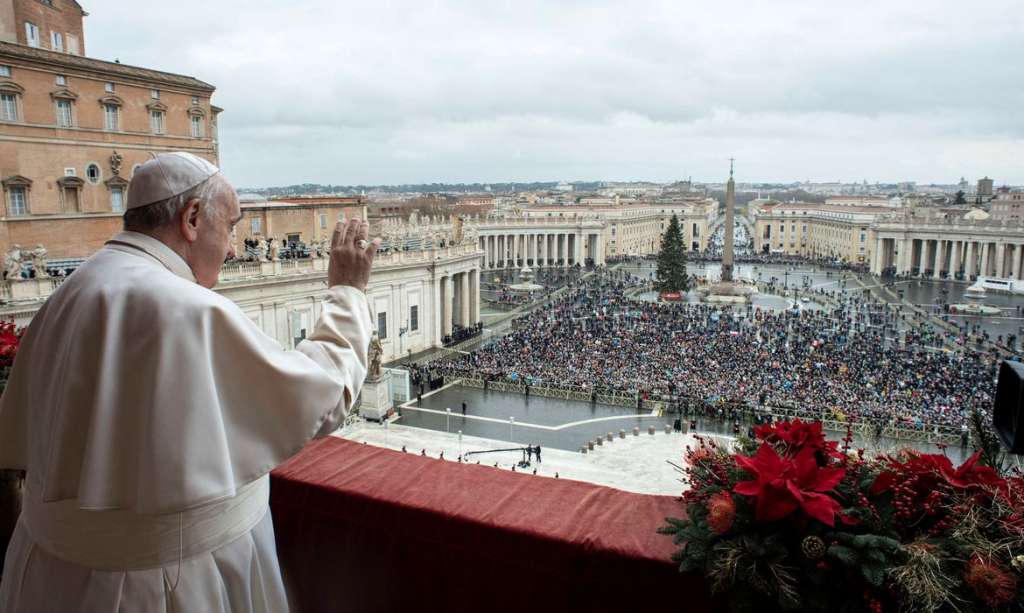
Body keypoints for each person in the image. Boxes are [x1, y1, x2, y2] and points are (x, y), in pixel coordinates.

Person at [0, 153, 380, 612]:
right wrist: (348, 292)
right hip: (168, 586)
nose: (236, 247)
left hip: (49, 576)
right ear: (193, 218)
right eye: (234, 226)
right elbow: (324, 394)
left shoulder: (70, 291)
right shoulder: (189, 309)